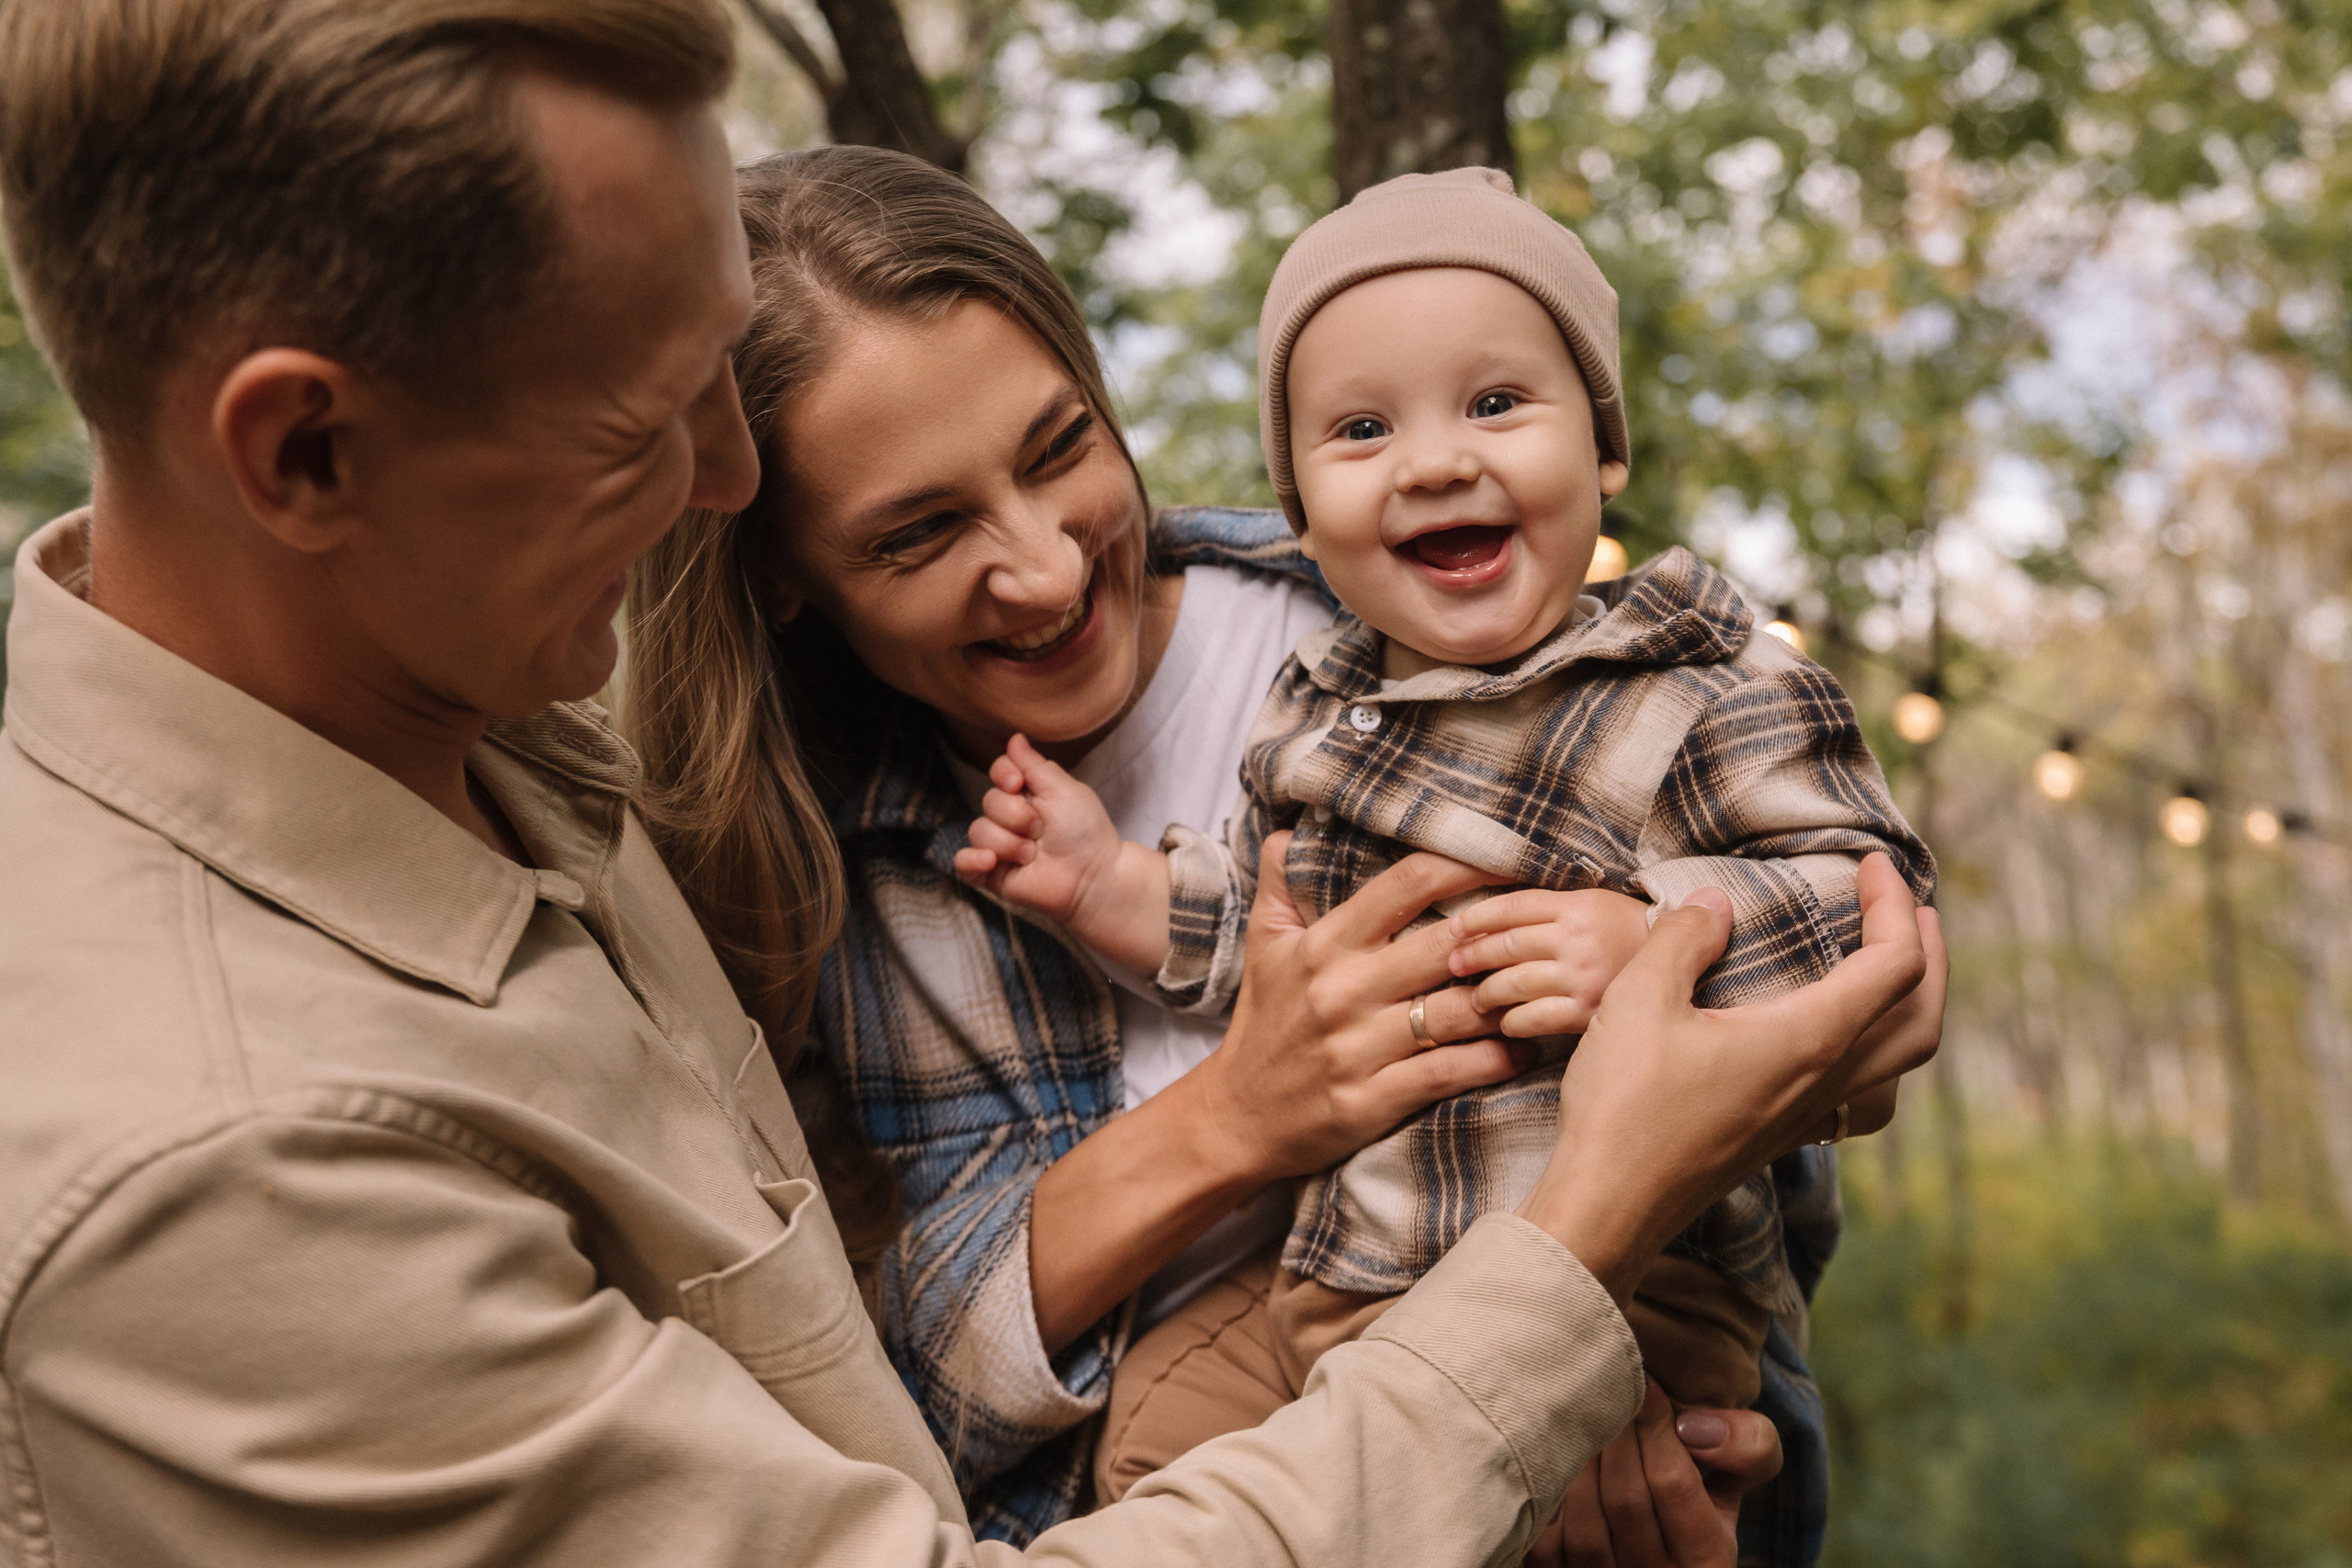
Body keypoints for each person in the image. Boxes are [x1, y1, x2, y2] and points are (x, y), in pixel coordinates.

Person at [0, 6, 1939, 1566]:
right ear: (308, 455)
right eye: (640, 419)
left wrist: (1808, 999)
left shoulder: (513, 749)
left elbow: (1783, 1000)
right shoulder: (227, 1158)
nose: (726, 490)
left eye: (1056, 448)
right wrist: (1543, 1242)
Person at [624, 148, 1894, 1562]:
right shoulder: (791, 873)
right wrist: (1238, 1115)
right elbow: (844, 1407)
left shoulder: (1431, 645)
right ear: (781, 570)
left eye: (1058, 451)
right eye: (918, 534)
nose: (1044, 571)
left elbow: (1807, 1105)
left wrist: (1715, 1443)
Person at [952, 166, 1934, 1518]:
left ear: (1603, 450)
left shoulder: (1701, 680)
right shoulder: (1322, 710)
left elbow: (1867, 903)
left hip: (1626, 1276)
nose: (1433, 460)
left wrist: (1663, 941)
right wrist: (1107, 884)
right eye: (1362, 428)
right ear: (1298, 508)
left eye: (1495, 403)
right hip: (1348, 1273)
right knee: (1146, 1458)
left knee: (1581, 1499)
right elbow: (1277, 933)